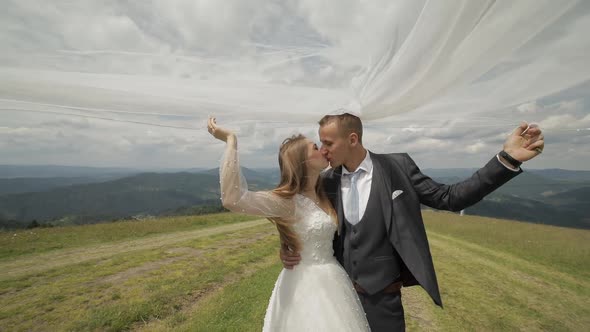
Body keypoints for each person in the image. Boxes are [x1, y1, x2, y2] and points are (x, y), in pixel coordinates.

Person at [281, 113, 544, 331]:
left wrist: (507, 159)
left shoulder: (398, 166)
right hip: (336, 297)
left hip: (383, 299)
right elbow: (297, 212)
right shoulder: (326, 180)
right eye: (320, 143)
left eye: (328, 143)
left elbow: (449, 198)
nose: (323, 150)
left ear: (352, 139)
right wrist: (289, 247)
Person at [206, 116, 371, 331]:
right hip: (303, 285)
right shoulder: (287, 203)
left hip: (334, 280)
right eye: (315, 147)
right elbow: (232, 199)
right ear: (302, 161)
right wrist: (231, 140)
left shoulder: (327, 189)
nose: (323, 149)